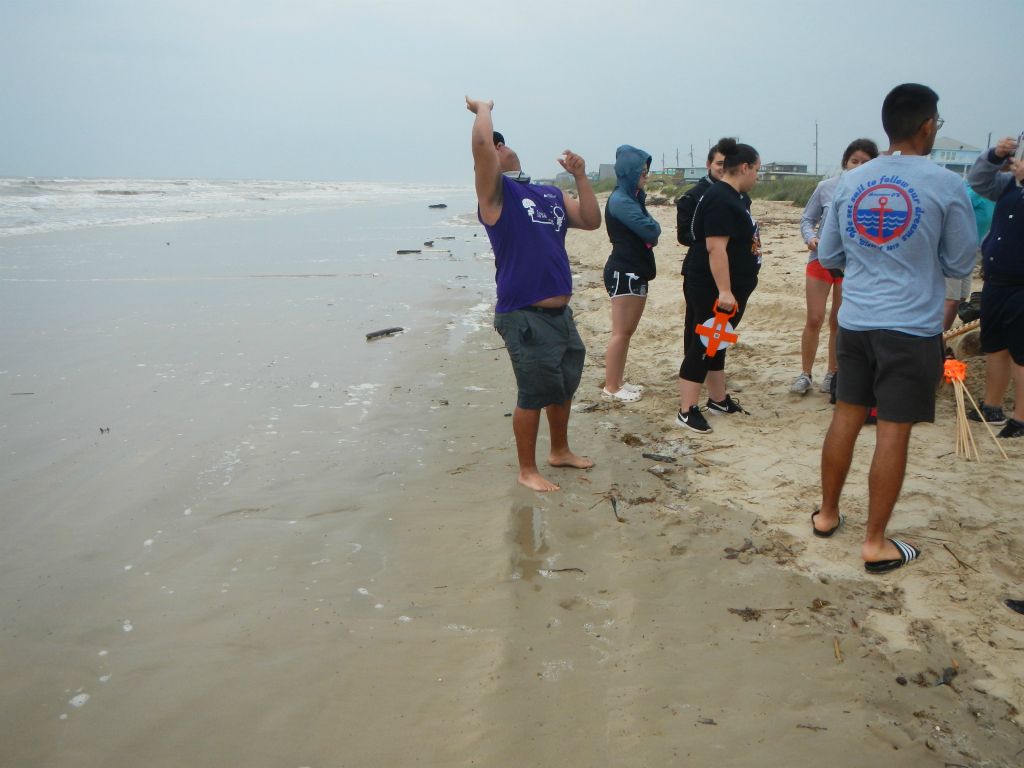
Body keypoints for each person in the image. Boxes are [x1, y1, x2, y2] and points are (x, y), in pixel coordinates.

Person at [813, 84, 977, 573]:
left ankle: (826, 515)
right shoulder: (946, 184)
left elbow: (829, 254)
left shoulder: (851, 181)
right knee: (893, 428)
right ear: (928, 125)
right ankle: (875, 542)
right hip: (909, 327)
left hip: (856, 322)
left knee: (846, 414)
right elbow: (959, 259)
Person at [466, 96, 601, 491]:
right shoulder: (495, 197)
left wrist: (580, 177)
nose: (499, 145)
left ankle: (559, 451)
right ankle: (527, 470)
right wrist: (483, 111)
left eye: (502, 141)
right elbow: (480, 148)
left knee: (562, 385)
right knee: (533, 391)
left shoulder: (547, 194)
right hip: (523, 312)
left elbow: (591, 221)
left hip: (560, 312)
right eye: (495, 142)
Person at [675, 138, 762, 433]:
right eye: (757, 170)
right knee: (705, 342)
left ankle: (718, 399)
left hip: (731, 286)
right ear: (745, 167)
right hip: (712, 287)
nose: (757, 177)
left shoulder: (733, 196)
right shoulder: (720, 198)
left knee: (718, 342)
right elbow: (715, 248)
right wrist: (725, 290)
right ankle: (687, 410)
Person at [791, 139, 879, 395]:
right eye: (854, 161)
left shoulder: (875, 192)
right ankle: (805, 373)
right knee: (814, 318)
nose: (858, 166)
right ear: (845, 162)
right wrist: (811, 238)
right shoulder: (826, 187)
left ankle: (832, 373)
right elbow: (807, 218)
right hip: (820, 260)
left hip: (853, 265)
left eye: (865, 162)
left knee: (838, 321)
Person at [965, 134, 1024, 437]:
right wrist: (995, 155)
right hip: (996, 279)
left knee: (1020, 351)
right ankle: (992, 405)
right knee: (995, 345)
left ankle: (1021, 418)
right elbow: (978, 181)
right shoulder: (1009, 185)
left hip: (1021, 284)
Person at [601, 145, 661, 402]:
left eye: (647, 171)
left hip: (634, 270)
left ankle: (617, 382)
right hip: (624, 271)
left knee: (626, 332)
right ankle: (611, 387)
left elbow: (650, 229)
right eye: (642, 171)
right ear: (630, 172)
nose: (645, 176)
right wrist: (651, 224)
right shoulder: (621, 200)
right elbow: (652, 231)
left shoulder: (631, 198)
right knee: (621, 331)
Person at [942, 183, 994, 332]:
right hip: (953, 248)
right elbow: (950, 209)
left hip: (970, 251)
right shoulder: (976, 191)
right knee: (951, 299)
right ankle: (939, 342)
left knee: (961, 298)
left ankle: (944, 337)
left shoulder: (1000, 194)